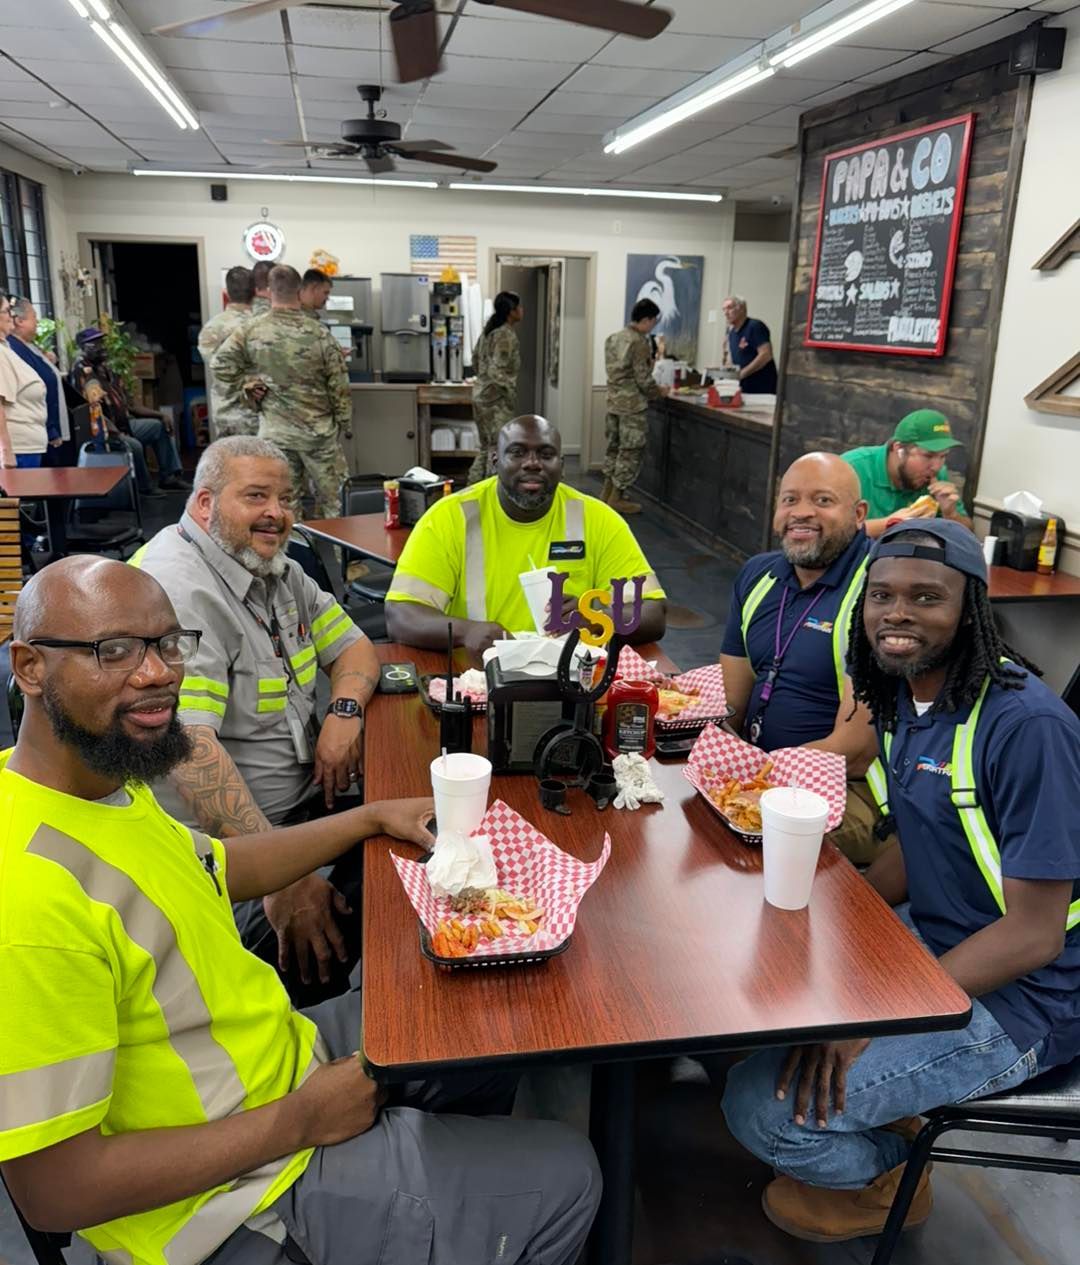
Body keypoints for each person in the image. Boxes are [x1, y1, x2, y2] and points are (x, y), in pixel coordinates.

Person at [0, 555, 601, 1265]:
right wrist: (298, 1122)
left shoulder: (99, 788)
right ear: (30, 667)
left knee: (475, 1026)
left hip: (276, 1060)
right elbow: (56, 1192)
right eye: (115, 650)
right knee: (573, 1175)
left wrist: (370, 816)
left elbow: (218, 868)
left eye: (168, 644)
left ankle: (435, 1205)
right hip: (235, 1203)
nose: (158, 672)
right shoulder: (29, 902)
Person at [722, 520, 1080, 1244]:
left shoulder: (1027, 726)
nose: (897, 613)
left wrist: (884, 1018)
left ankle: (893, 1179)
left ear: (970, 609)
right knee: (755, 991)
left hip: (1030, 995)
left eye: (926, 597)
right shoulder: (900, 700)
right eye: (881, 595)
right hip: (938, 939)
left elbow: (1036, 934)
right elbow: (920, 844)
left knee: (760, 1112)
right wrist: (816, 907)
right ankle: (890, 1099)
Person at [131, 436, 380, 995]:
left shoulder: (273, 567)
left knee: (418, 837)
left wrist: (343, 712)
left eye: (286, 499)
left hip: (301, 811)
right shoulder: (178, 591)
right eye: (256, 496)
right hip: (220, 854)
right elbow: (188, 749)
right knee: (388, 895)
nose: (277, 513)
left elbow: (356, 648)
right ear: (204, 504)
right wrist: (281, 878)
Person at [386, 414, 667, 653]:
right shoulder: (449, 517)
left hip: (570, 678)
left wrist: (595, 619)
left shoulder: (599, 519)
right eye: (517, 452)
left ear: (561, 466)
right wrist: (465, 631)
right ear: (494, 462)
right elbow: (400, 615)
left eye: (546, 454)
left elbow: (653, 613)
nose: (532, 463)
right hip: (474, 678)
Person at [719, 452, 882, 863]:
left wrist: (753, 786)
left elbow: (854, 751)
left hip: (849, 789)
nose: (802, 512)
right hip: (762, 770)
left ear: (859, 514)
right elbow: (731, 703)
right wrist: (712, 760)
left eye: (823, 500)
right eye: (790, 500)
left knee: (759, 843)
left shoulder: (878, 593)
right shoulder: (757, 575)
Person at [211, 265, 350, 519]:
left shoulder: (250, 330)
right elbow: (339, 385)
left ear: (269, 291)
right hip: (318, 436)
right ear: (299, 291)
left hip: (275, 436)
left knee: (284, 504)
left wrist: (247, 384)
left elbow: (219, 365)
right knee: (335, 501)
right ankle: (339, 546)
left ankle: (291, 546)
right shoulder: (319, 333)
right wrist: (344, 422)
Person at [70, 326, 191, 495]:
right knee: (134, 446)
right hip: (103, 430)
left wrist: (161, 415)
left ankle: (169, 478)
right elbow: (92, 410)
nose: (102, 347)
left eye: (102, 342)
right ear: (84, 348)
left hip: (125, 424)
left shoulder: (106, 370)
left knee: (158, 427)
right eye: (96, 344)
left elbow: (131, 405)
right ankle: (144, 487)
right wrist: (114, 432)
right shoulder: (83, 371)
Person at [842, 409, 973, 537]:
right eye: (928, 456)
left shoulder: (938, 475)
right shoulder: (852, 467)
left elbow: (968, 533)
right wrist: (891, 524)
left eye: (943, 456)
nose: (937, 467)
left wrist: (951, 514)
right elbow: (833, 530)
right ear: (898, 448)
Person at [604, 297, 669, 515]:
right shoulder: (639, 342)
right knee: (630, 451)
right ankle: (617, 497)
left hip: (613, 403)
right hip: (632, 406)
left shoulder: (613, 338)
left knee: (613, 448)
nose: (653, 326)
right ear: (647, 319)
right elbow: (643, 378)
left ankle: (606, 494)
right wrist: (659, 392)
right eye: (653, 321)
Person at [6, 296, 72, 465]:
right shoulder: (13, 349)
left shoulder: (27, 345)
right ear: (20, 321)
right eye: (34, 317)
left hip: (40, 435)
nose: (37, 322)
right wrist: (50, 429)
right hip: (29, 439)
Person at [199, 266, 259, 440]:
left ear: (227, 292)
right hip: (259, 414)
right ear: (255, 292)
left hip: (226, 414)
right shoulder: (263, 326)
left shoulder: (211, 329)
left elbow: (215, 366)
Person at [470, 289, 522, 484]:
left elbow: (475, 361)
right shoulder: (504, 335)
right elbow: (496, 371)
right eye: (519, 307)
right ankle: (490, 491)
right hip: (495, 400)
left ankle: (472, 488)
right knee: (498, 449)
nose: (522, 310)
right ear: (511, 311)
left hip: (481, 394)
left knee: (485, 448)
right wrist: (509, 394)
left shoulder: (488, 331)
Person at [0, 294, 50, 468]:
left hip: (26, 448)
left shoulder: (5, 348)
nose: (12, 316)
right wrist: (6, 451)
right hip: (17, 450)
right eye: (7, 311)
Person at [722, 294, 777, 395]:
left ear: (742, 308)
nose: (726, 313)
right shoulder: (731, 333)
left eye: (729, 308)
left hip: (762, 388)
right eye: (724, 309)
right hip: (743, 388)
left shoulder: (755, 326)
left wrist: (742, 374)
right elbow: (735, 359)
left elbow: (766, 355)